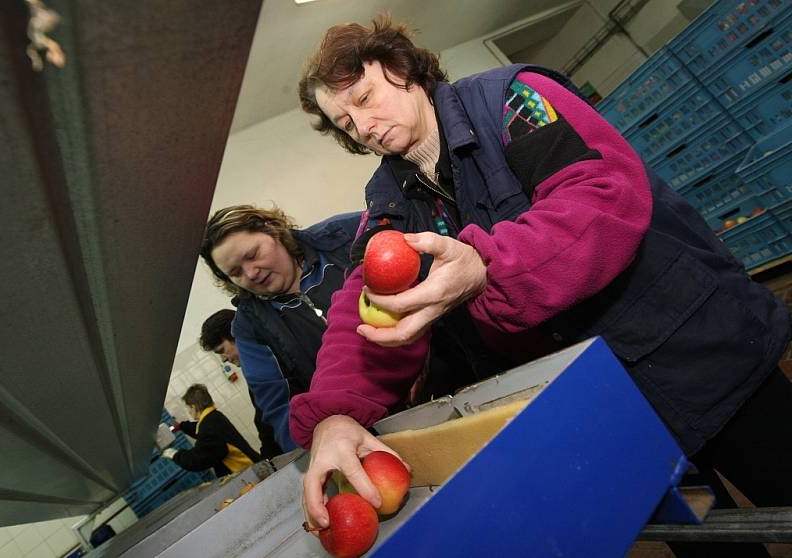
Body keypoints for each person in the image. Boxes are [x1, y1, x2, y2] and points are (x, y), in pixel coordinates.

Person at [291, 15, 792, 556]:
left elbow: (601, 197)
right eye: (344, 123)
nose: (361, 127)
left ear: (400, 68)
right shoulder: (387, 206)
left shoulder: (512, 102)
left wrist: (487, 267)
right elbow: (363, 309)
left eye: (364, 98)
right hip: (606, 413)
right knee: (704, 541)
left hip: (701, 357)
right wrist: (337, 414)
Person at [199, 205, 363, 453]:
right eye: (235, 273)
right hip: (366, 434)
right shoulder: (250, 329)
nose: (251, 273)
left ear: (272, 229)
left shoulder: (343, 237)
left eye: (252, 255)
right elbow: (281, 409)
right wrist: (323, 443)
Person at [199, 309, 284, 460]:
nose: (224, 360)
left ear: (237, 335)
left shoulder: (273, 363)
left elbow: (270, 423)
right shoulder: (258, 368)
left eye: (222, 350)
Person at [162, 384, 262, 478]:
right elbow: (199, 429)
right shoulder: (214, 417)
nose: (188, 411)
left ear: (194, 407)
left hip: (250, 474)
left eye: (188, 408)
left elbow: (197, 460)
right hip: (254, 466)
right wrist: (181, 426)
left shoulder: (209, 428)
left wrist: (175, 455)